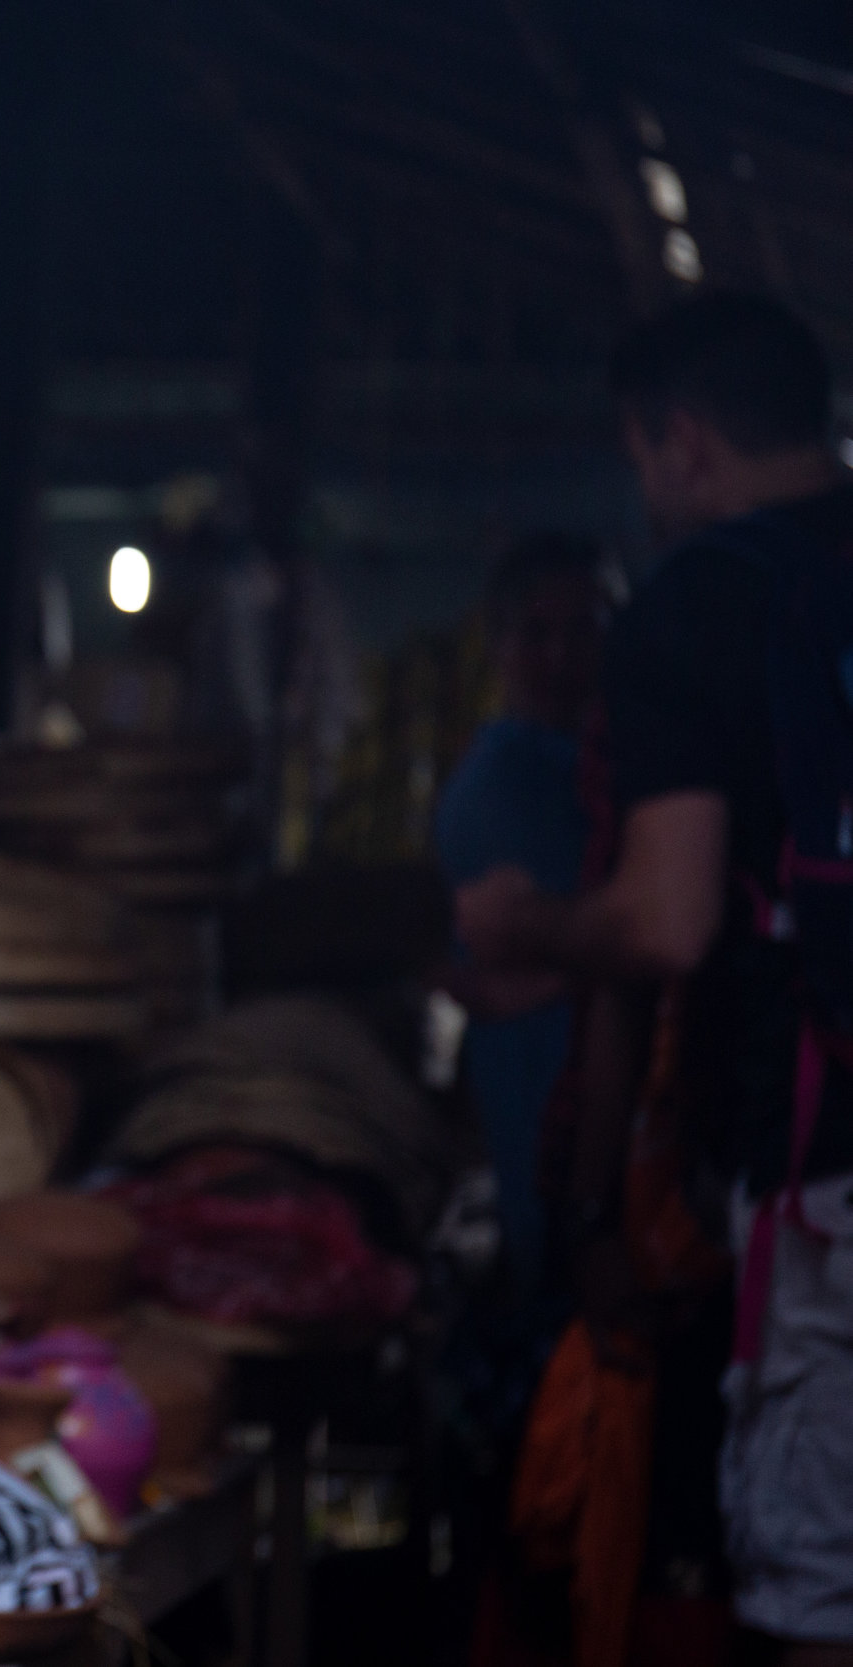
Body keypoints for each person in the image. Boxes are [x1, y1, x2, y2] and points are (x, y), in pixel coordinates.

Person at [459, 291, 853, 1662]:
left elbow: (666, 923)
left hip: (828, 1176)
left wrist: (526, 927)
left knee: (822, 1593)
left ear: (680, 441)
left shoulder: (701, 599)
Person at [436, 533, 620, 1309]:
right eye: (538, 634)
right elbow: (479, 977)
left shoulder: (595, 764)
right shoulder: (503, 781)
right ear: (500, 644)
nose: (561, 657)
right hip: (547, 1100)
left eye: (582, 631)